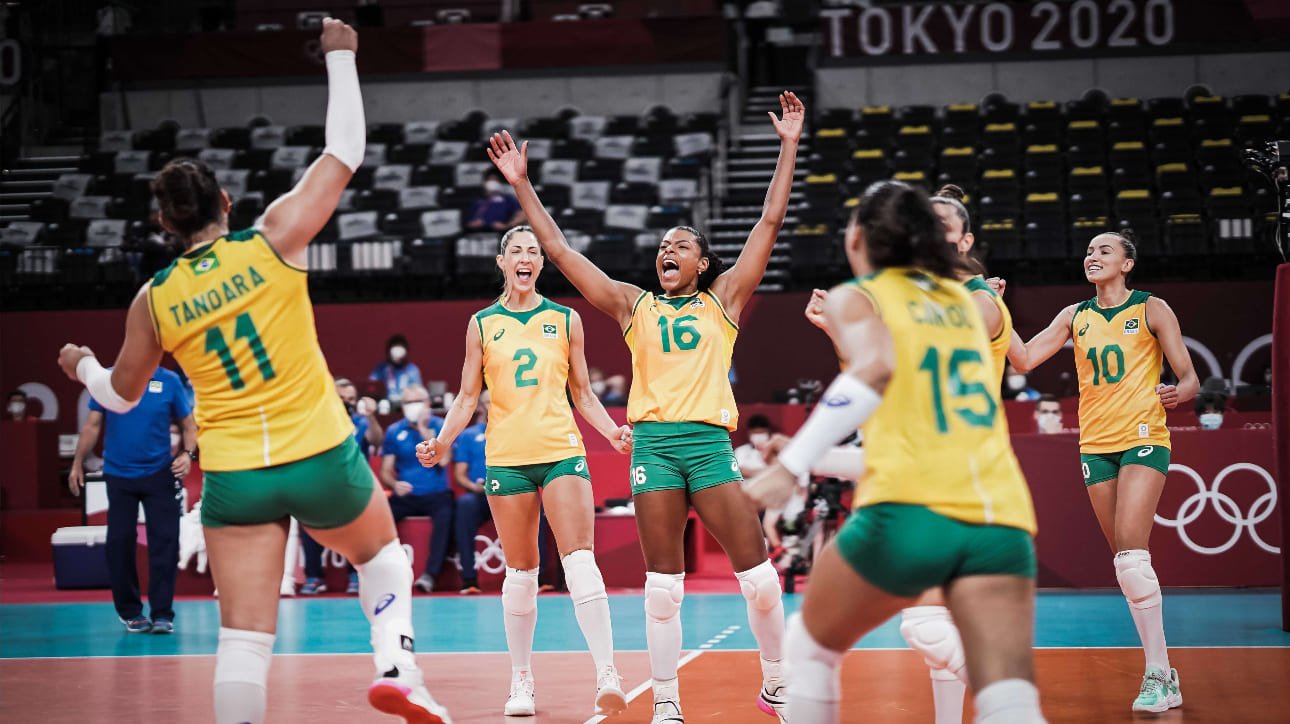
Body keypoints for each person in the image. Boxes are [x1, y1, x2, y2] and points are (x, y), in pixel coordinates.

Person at [55, 19, 451, 723]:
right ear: (226, 205)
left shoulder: (155, 299)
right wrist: (339, 56)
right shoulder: (271, 240)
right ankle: (398, 667)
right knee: (383, 557)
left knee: (242, 641)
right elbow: (346, 150)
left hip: (236, 476)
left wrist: (82, 363)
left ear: (164, 227)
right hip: (319, 453)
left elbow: (117, 395)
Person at [484, 90, 804, 723]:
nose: (668, 250)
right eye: (663, 244)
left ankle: (774, 682)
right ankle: (665, 703)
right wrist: (523, 186)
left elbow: (767, 223)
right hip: (655, 445)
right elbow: (563, 252)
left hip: (709, 445)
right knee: (663, 589)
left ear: (703, 263)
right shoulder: (635, 306)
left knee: (761, 581)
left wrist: (788, 147)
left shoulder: (725, 302)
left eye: (681, 245)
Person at [746, 180, 1046, 724]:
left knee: (807, 644)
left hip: (911, 513)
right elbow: (917, 424)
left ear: (857, 237)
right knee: (1009, 697)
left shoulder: (860, 296)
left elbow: (875, 367)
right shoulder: (970, 302)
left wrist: (790, 465)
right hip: (1002, 517)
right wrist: (814, 457)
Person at [416, 224, 633, 717]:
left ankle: (607, 672)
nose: (526, 257)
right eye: (516, 250)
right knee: (521, 573)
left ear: (540, 264)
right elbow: (468, 396)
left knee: (579, 560)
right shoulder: (482, 324)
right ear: (501, 262)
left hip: (561, 451)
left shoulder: (566, 319)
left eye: (533, 251)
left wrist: (613, 432)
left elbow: (582, 394)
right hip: (506, 457)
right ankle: (521, 681)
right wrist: (442, 441)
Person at [1006, 228, 1198, 713]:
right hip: (1095, 446)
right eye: (1089, 250)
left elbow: (1190, 376)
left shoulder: (1151, 308)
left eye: (1104, 250)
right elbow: (1025, 358)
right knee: (1126, 566)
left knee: (1132, 556)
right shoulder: (1075, 316)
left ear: (1127, 263)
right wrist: (995, 311)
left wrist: (1180, 392)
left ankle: (1157, 672)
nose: (1093, 256)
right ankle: (1166, 674)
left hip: (1143, 437)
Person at [68, 366, 196, 634]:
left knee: (165, 543)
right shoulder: (109, 378)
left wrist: (187, 454)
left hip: (160, 474)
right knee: (119, 543)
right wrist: (78, 462)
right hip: (119, 476)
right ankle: (130, 612)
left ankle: (162, 613)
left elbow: (188, 424)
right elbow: (92, 424)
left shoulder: (169, 381)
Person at [300, 377, 383, 595]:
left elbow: (376, 441)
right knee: (308, 512)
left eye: (351, 399)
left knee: (357, 520)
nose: (346, 402)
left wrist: (371, 416)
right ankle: (314, 576)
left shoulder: (361, 422)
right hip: (321, 485)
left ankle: (355, 573)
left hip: (353, 487)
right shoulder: (316, 420)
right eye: (341, 398)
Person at [381, 383, 454, 593]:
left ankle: (430, 576)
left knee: (446, 516)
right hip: (407, 495)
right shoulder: (394, 431)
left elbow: (443, 461)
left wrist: (424, 430)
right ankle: (380, 574)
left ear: (428, 404)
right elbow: (386, 470)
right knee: (381, 516)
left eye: (417, 401)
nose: (412, 406)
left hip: (437, 495)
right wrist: (394, 484)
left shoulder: (443, 426)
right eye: (407, 402)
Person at [450, 391, 489, 595]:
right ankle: (469, 579)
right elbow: (460, 475)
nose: (492, 406)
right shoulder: (468, 435)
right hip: (480, 495)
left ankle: (542, 578)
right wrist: (474, 486)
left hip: (509, 493)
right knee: (464, 504)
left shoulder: (515, 431)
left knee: (537, 506)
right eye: (488, 403)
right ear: (481, 406)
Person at [370, 333, 423, 404]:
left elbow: (418, 392)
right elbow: (372, 386)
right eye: (395, 346)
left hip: (407, 404)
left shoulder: (412, 370)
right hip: (385, 405)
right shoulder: (381, 368)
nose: (397, 350)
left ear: (406, 351)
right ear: (388, 350)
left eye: (400, 346)